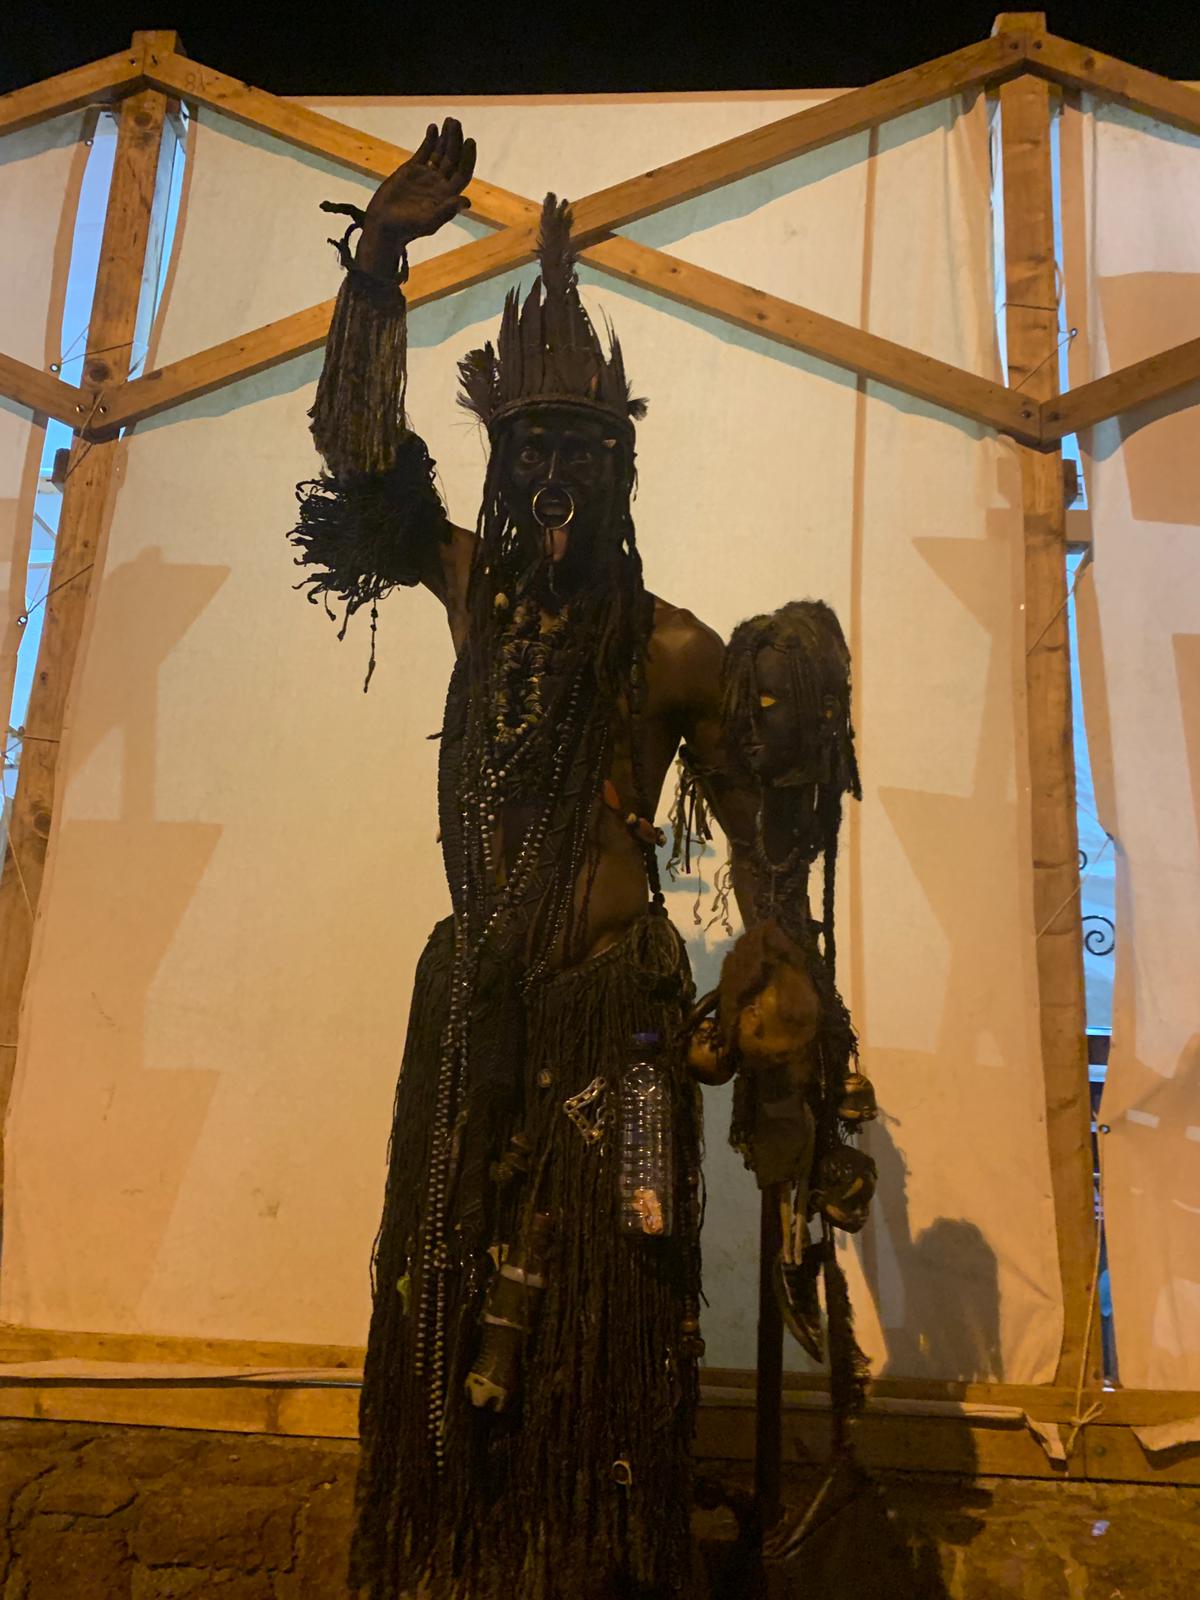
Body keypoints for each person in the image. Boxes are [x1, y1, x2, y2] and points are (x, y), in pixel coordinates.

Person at [290, 118, 765, 1600]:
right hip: (472, 1019)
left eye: (581, 450)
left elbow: (766, 858)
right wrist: (377, 262)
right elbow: (363, 466)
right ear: (503, 467)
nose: (554, 472)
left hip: (623, 1038)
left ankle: (601, 1567)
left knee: (619, 1309)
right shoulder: (471, 591)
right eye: (531, 448)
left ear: (622, 469)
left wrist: (764, 989)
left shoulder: (676, 651)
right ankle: (449, 1559)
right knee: (440, 1296)